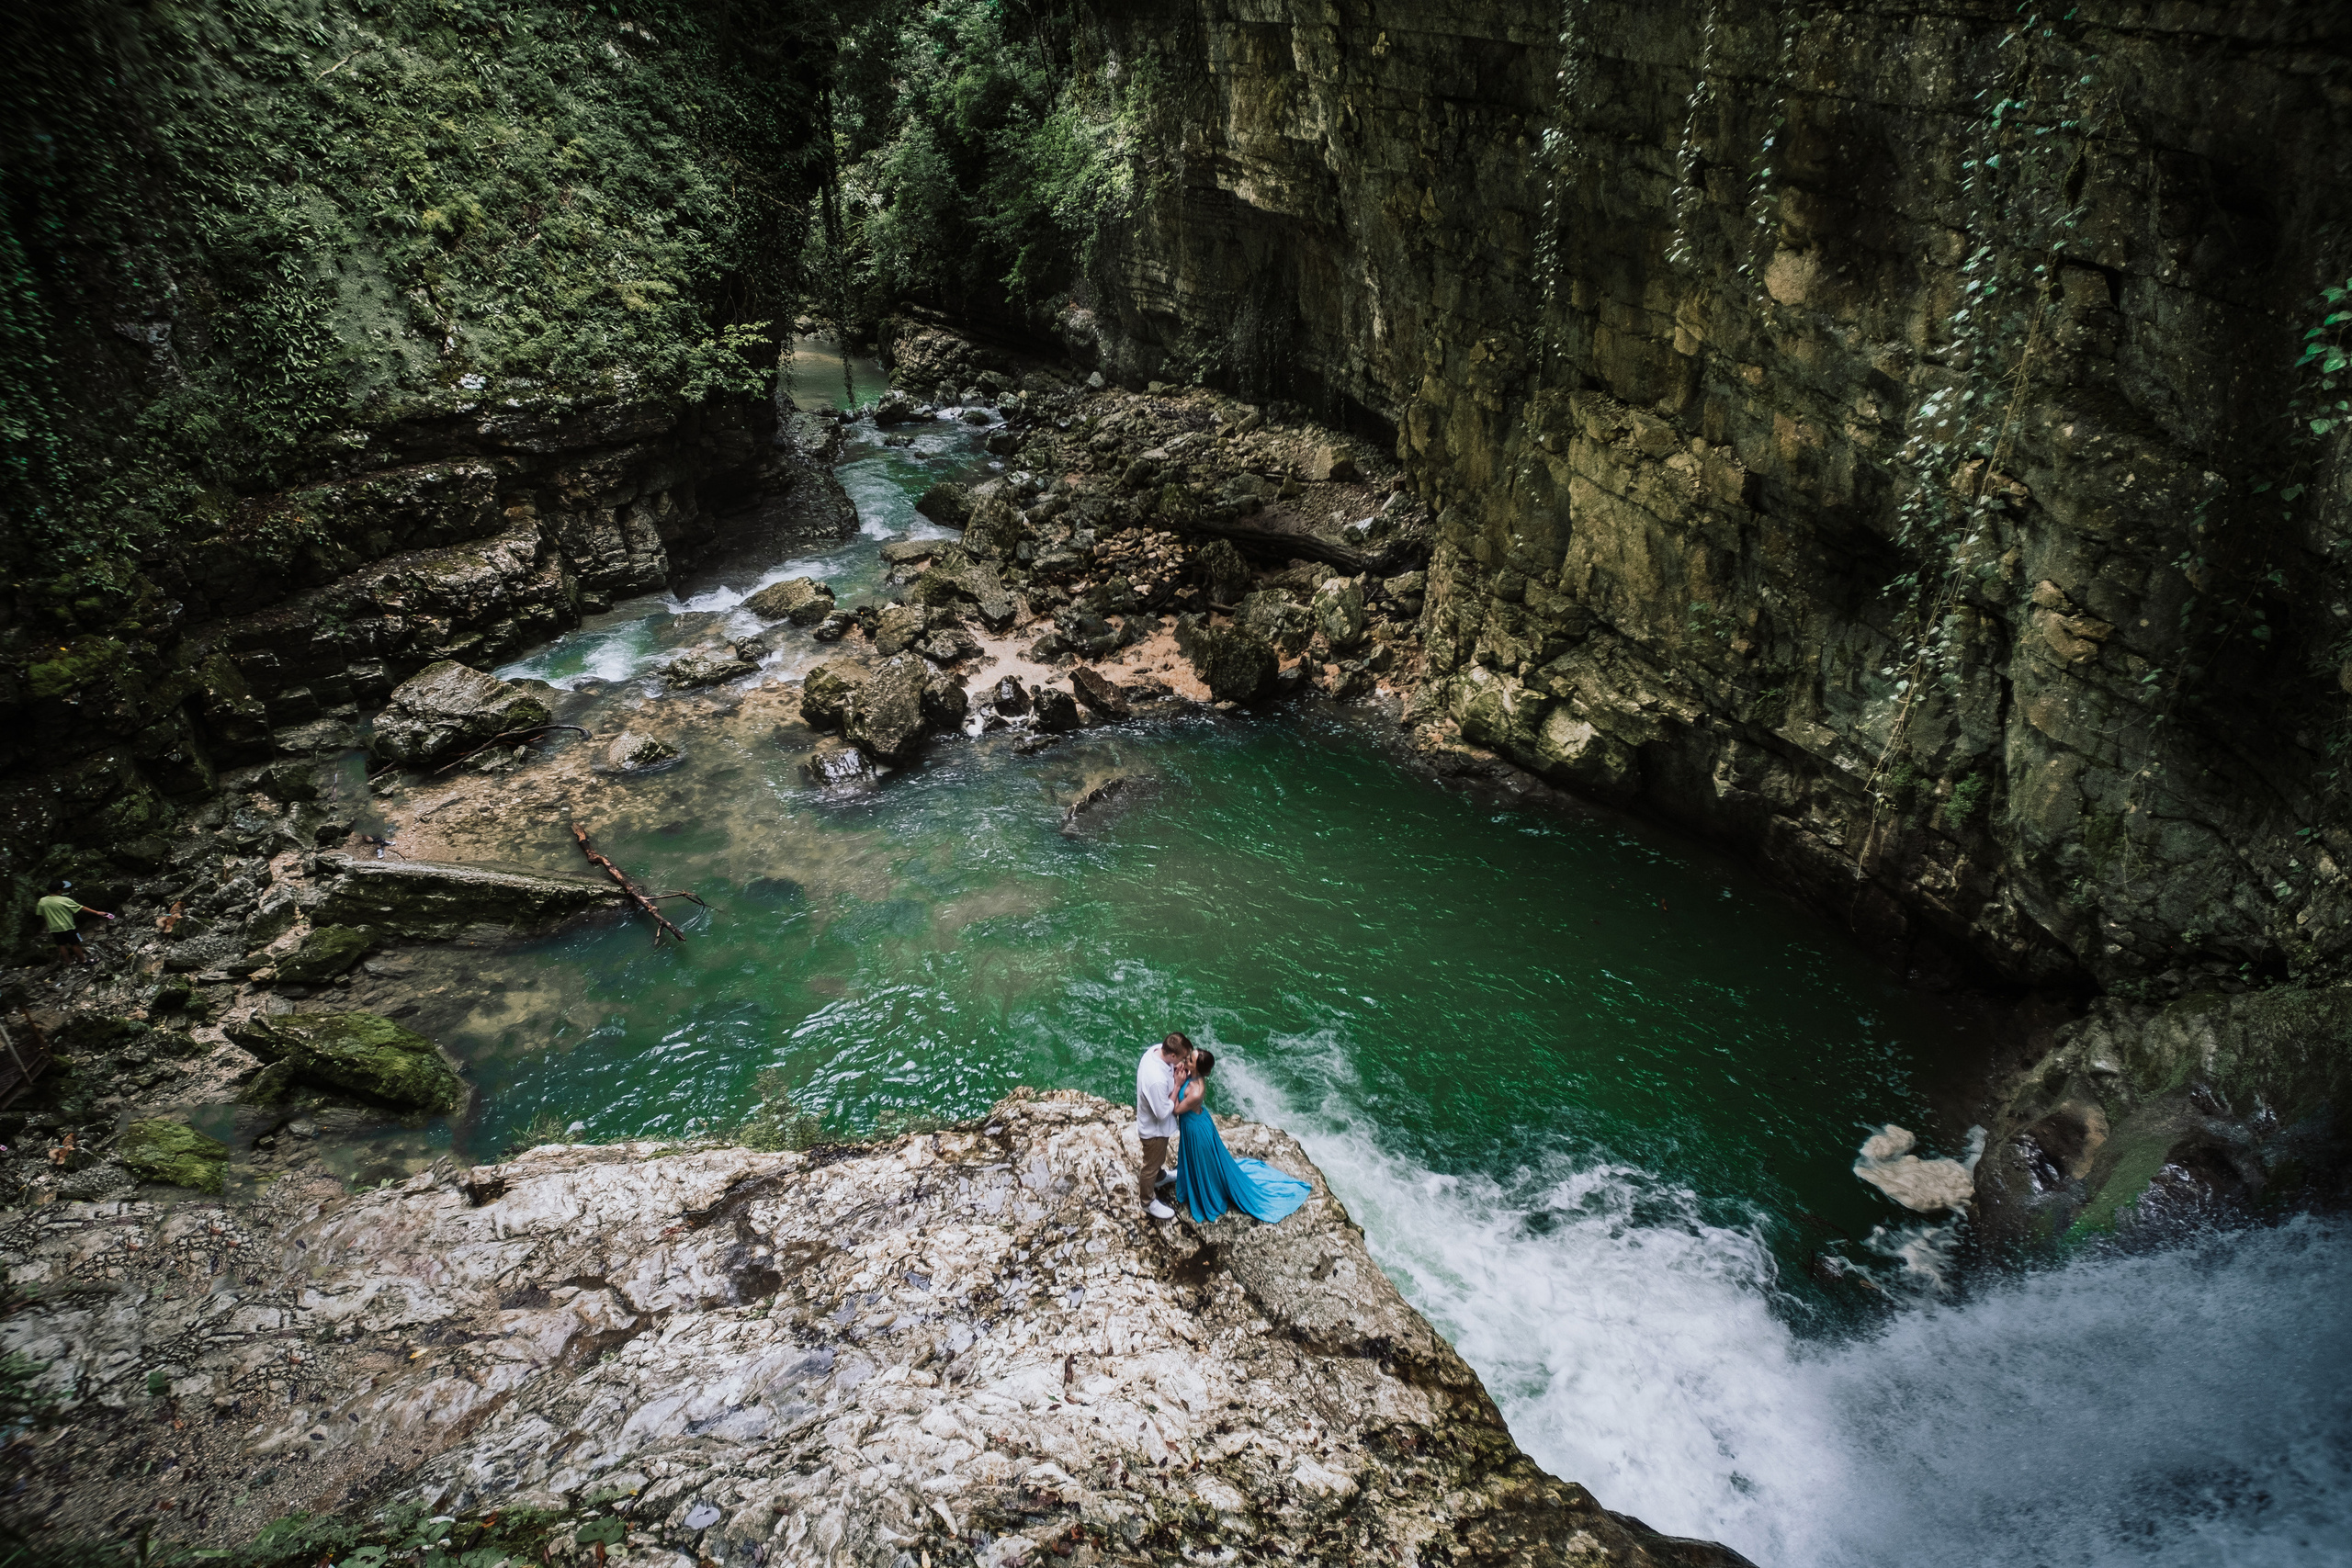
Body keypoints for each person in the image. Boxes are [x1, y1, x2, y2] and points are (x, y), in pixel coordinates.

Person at [1170, 1050, 1311, 1226]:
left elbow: (1176, 1110)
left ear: (1197, 1067)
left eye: (1190, 1059)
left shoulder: (1197, 1091)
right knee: (1201, 1162)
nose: (1186, 1059)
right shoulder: (1191, 1074)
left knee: (1202, 1162)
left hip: (1196, 1129)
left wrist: (1177, 1085)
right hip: (1195, 1123)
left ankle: (1206, 1192)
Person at [1135, 1030, 1192, 1221]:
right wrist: (1177, 1085)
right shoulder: (1156, 1080)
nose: (1185, 1061)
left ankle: (1160, 1178)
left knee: (1157, 1160)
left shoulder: (1157, 1050)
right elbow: (1162, 1113)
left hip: (1156, 1127)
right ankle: (1147, 1201)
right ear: (1173, 1055)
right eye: (1182, 1058)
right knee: (1150, 1165)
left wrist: (1176, 1069)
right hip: (1154, 1131)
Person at [36, 880, 114, 967]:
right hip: (68, 926)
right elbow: (82, 908)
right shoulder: (64, 900)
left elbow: (41, 914)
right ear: (58, 891)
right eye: (62, 889)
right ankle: (83, 961)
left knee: (61, 945)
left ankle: (68, 963)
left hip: (54, 928)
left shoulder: (42, 901)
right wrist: (97, 912)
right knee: (75, 944)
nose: (63, 890)